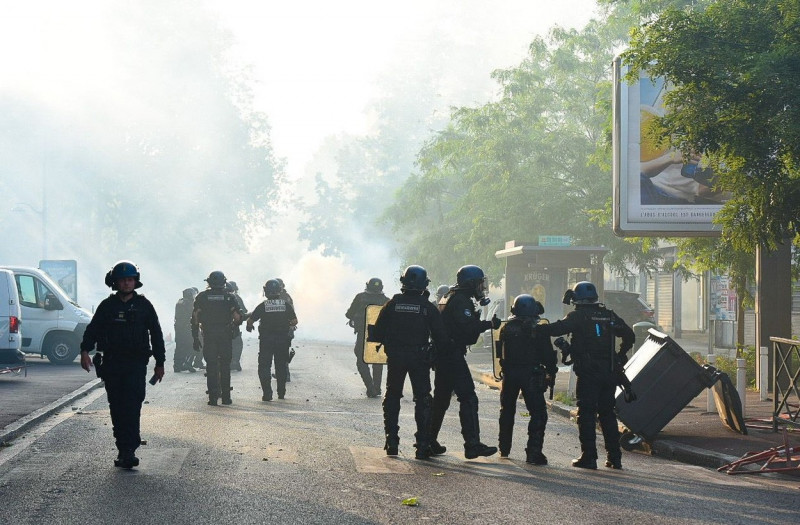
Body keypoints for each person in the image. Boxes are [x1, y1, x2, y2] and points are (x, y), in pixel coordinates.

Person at [534, 281, 635, 470]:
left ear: (576, 299)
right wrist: (620, 356)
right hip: (610, 371)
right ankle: (615, 457)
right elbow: (630, 335)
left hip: (589, 373)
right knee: (607, 413)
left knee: (587, 414)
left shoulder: (578, 316)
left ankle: (589, 457)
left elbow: (556, 329)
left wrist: (535, 327)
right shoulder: (608, 315)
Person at [79, 261, 165, 469]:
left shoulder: (144, 306)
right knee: (117, 407)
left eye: (130, 279)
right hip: (112, 364)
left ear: (135, 281)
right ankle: (123, 447)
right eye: (123, 280)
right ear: (115, 282)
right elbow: (93, 330)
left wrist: (160, 363)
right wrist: (84, 352)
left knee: (133, 405)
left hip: (136, 364)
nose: (127, 283)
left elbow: (156, 334)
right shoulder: (107, 306)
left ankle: (130, 449)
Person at [368, 265, 451, 459]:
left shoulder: (392, 304)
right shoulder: (427, 306)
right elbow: (440, 336)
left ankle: (392, 441)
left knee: (392, 397)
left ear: (403, 282)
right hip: (419, 358)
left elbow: (377, 332)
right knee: (423, 399)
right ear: (423, 284)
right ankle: (422, 445)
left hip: (396, 357)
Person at [429, 264, 499, 459]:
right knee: (468, 397)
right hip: (452, 355)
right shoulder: (461, 301)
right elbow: (466, 329)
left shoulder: (450, 296)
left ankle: (427, 441)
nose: (481, 288)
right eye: (478, 283)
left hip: (444, 354)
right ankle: (472, 444)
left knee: (441, 400)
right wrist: (489, 324)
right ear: (470, 283)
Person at [496, 294, 557, 464]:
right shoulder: (538, 329)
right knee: (538, 413)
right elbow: (547, 355)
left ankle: (504, 448)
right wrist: (551, 370)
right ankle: (533, 452)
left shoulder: (506, 328)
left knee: (507, 411)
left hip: (510, 375)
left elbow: (500, 354)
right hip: (531, 374)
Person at [192, 271, 243, 406]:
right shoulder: (229, 297)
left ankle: (213, 398)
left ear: (208, 282)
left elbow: (195, 318)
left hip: (209, 335)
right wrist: (234, 326)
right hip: (225, 335)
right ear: (223, 282)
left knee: (211, 366)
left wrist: (195, 338)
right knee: (225, 366)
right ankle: (226, 398)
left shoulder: (202, 297)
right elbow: (237, 317)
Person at [247, 279, 298, 401]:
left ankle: (267, 394)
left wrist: (249, 326)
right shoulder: (285, 304)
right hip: (282, 340)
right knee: (281, 366)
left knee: (264, 366)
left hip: (266, 341)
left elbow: (250, 320)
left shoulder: (263, 305)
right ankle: (281, 393)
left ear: (266, 291)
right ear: (279, 290)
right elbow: (295, 321)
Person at [345, 277, 390, 398]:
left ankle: (370, 388)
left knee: (361, 361)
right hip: (379, 336)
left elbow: (348, 314)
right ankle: (376, 387)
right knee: (377, 361)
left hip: (363, 335)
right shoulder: (386, 300)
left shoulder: (360, 297)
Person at [226, 281, 249, 372]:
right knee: (237, 344)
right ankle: (235, 361)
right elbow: (242, 312)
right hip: (232, 327)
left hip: (213, 329)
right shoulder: (234, 297)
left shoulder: (208, 296)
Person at [173, 288, 197, 373]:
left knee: (179, 346)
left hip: (178, 327)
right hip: (186, 327)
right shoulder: (189, 303)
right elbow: (193, 314)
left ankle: (177, 365)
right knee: (191, 345)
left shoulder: (180, 301)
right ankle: (187, 362)